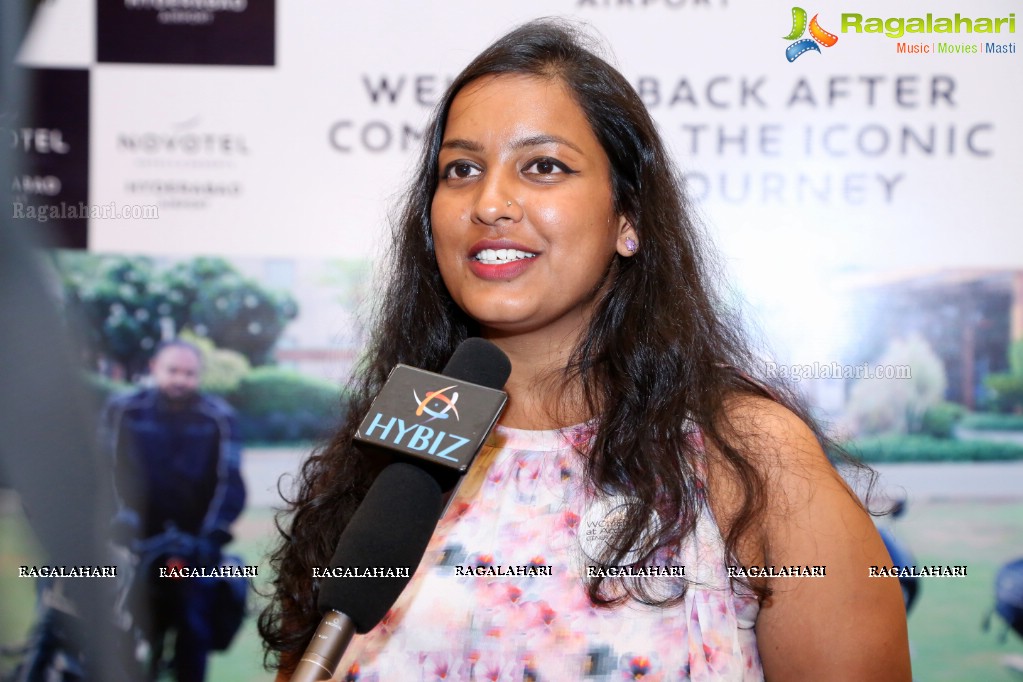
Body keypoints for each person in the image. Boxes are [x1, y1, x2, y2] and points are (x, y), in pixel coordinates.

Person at [260, 19, 911, 681]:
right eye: (461, 170)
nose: (489, 203)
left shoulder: (748, 452)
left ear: (626, 218)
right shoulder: (400, 437)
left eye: (542, 166)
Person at [102, 339, 246, 681]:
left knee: (192, 622)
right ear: (154, 368)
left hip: (190, 545)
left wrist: (213, 533)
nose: (180, 379)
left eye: (189, 373)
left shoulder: (218, 417)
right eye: (173, 371)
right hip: (133, 540)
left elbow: (230, 480)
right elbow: (103, 468)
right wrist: (120, 519)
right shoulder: (124, 409)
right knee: (117, 620)